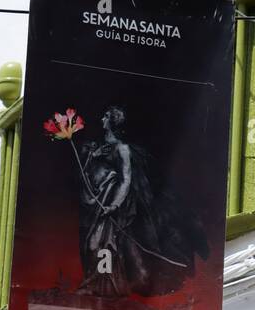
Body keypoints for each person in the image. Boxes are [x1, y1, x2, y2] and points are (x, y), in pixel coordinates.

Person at [73, 106, 207, 298]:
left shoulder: (123, 149)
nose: (102, 119)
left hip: (119, 206)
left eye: (106, 117)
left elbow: (126, 179)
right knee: (95, 243)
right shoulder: (103, 146)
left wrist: (115, 205)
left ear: (111, 122)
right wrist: (92, 158)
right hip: (100, 203)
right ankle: (100, 285)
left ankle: (106, 286)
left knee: (106, 244)